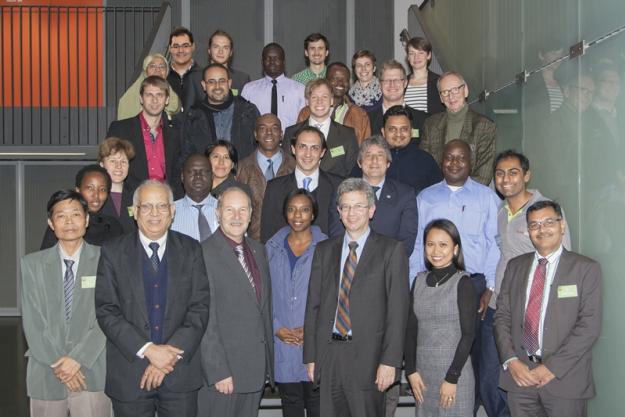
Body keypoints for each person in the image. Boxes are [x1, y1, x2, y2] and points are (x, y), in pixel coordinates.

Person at [95, 180, 210, 417]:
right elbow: (107, 310)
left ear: (173, 211)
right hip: (129, 374)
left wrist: (166, 356)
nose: (155, 213)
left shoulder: (192, 250)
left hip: (179, 373)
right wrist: (148, 350)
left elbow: (199, 307)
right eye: (146, 207)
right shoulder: (112, 251)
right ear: (135, 212)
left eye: (162, 206)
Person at [303, 178, 409, 417]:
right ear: (338, 212)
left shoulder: (391, 250)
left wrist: (391, 362)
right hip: (330, 356)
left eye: (359, 206)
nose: (352, 213)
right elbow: (313, 306)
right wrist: (311, 356)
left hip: (369, 359)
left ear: (371, 210)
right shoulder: (324, 250)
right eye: (346, 207)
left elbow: (398, 311)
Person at [408, 140, 500, 413]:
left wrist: (491, 287)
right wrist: (414, 286)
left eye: (461, 157)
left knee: (476, 356)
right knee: (432, 349)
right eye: (449, 157)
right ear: (441, 161)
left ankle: (466, 409)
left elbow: (495, 245)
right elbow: (416, 247)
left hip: (475, 284)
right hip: (433, 284)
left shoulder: (486, 197)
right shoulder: (425, 198)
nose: (455, 162)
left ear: (470, 162)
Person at [494, 200, 602, 417]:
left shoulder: (585, 269)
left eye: (548, 222)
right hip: (520, 378)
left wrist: (551, 367)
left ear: (562, 226)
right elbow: (501, 317)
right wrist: (511, 361)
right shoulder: (515, 266)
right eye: (534, 225)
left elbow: (589, 326)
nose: (541, 229)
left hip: (565, 380)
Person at [488, 150, 573, 417]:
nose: (506, 179)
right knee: (494, 381)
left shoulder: (545, 211)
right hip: (500, 306)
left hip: (533, 313)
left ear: (526, 175)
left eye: (513, 172)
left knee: (530, 383)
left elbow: (563, 260)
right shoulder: (500, 211)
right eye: (500, 174)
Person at [21, 190, 111, 417]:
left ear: (87, 220)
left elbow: (108, 315)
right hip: (47, 371)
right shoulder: (32, 265)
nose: (69, 222)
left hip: (91, 370)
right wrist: (63, 366)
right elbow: (33, 323)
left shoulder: (107, 260)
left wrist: (78, 360)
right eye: (61, 216)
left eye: (76, 215)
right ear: (51, 223)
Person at [198, 186, 274, 417]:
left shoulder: (259, 251)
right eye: (230, 210)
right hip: (223, 376)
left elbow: (263, 310)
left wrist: (268, 365)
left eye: (243, 210)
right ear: (218, 213)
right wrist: (218, 371)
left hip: (254, 371)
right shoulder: (202, 254)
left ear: (251, 216)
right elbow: (204, 319)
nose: (237, 216)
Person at [405, 219, 477, 417]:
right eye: (430, 244)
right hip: (423, 375)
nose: (436, 251)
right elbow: (410, 330)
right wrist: (410, 371)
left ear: (455, 249)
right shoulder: (418, 281)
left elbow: (469, 335)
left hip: (455, 373)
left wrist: (452, 378)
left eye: (443, 244)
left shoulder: (463, 283)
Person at [266, 189, 326, 417]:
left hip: (316, 346)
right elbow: (263, 297)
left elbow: (332, 298)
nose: (297, 215)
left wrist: (312, 330)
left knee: (317, 405)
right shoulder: (271, 248)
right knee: (290, 406)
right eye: (292, 209)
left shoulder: (327, 247)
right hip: (283, 344)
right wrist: (276, 328)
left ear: (313, 214)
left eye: (304, 209)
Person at [329, 136, 417, 257]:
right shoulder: (343, 191)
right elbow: (336, 235)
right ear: (359, 163)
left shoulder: (405, 194)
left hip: (388, 267)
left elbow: (406, 242)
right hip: (351, 263)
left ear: (388, 163)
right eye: (368, 155)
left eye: (380, 155)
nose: (374, 160)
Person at [261, 126, 342, 242]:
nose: (308, 154)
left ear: (322, 152)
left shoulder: (338, 186)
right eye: (302, 146)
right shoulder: (274, 188)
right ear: (293, 149)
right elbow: (267, 237)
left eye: (314, 148)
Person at [107, 75, 183, 198]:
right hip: (131, 200)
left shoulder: (175, 134)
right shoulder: (120, 129)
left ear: (167, 100)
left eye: (159, 95)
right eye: (149, 95)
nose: (154, 100)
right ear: (141, 98)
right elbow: (108, 167)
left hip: (164, 200)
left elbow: (176, 174)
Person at [419, 71, 497, 185]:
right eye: (445, 92)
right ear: (441, 98)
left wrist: (459, 194)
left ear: (465, 91)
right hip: (437, 195)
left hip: (471, 196)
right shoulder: (430, 125)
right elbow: (424, 165)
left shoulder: (484, 126)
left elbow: (484, 173)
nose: (451, 96)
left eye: (455, 89)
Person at [182, 63, 260, 161]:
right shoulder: (193, 116)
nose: (217, 86)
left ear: (229, 83)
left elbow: (260, 149)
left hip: (242, 174)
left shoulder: (248, 111)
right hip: (206, 175)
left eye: (222, 81)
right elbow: (186, 153)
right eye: (211, 82)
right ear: (204, 85)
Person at [283, 78, 359, 178]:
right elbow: (287, 171)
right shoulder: (291, 133)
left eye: (324, 97)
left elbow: (352, 174)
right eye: (314, 97)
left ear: (331, 100)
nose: (320, 101)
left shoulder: (348, 135)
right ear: (307, 101)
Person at [237, 114, 296, 240]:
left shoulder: (296, 167)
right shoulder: (241, 169)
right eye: (263, 128)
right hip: (253, 244)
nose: (269, 133)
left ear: (281, 134)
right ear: (256, 134)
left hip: (290, 243)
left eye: (274, 128)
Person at [41, 165, 124, 249]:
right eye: (90, 188)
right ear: (78, 190)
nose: (96, 195)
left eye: (102, 189)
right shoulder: (66, 223)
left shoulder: (114, 226)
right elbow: (47, 258)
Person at [297, 62, 371, 144]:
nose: (340, 83)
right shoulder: (306, 112)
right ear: (326, 80)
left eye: (345, 80)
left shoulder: (360, 115)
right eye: (335, 79)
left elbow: (364, 149)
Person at [242, 43, 306, 130]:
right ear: (262, 62)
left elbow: (304, 122)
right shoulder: (249, 89)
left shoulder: (299, 89)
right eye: (268, 58)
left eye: (276, 58)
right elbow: (243, 122)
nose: (272, 62)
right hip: (257, 142)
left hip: (289, 141)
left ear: (283, 61)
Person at [367, 60, 428, 139]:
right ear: (380, 85)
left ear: (405, 83)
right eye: (387, 80)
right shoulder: (367, 120)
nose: (392, 84)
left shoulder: (423, 120)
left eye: (397, 80)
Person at [117, 53, 181, 120]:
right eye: (153, 66)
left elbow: (176, 108)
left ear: (167, 72)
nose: (158, 70)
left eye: (162, 66)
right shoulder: (130, 97)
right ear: (145, 70)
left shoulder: (173, 88)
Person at [171, 154, 218, 242]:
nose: (198, 176)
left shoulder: (227, 210)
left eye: (204, 172)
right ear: (182, 177)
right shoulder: (169, 212)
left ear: (212, 177)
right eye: (192, 172)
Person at [98, 137, 137, 232]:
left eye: (123, 161)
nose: (119, 166)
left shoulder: (138, 194)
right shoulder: (93, 196)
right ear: (102, 164)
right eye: (113, 161)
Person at [166, 27, 204, 112]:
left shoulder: (204, 75)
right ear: (169, 49)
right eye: (176, 46)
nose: (180, 50)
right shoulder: (162, 76)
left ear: (193, 47)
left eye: (185, 46)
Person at [404, 37, 445, 114]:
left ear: (428, 55)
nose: (416, 57)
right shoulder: (402, 82)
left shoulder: (439, 81)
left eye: (421, 53)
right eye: (412, 53)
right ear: (408, 57)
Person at [207, 29, 250, 95]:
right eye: (216, 47)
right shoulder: (195, 79)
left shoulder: (242, 79)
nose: (220, 51)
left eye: (225, 48)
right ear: (209, 50)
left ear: (231, 52)